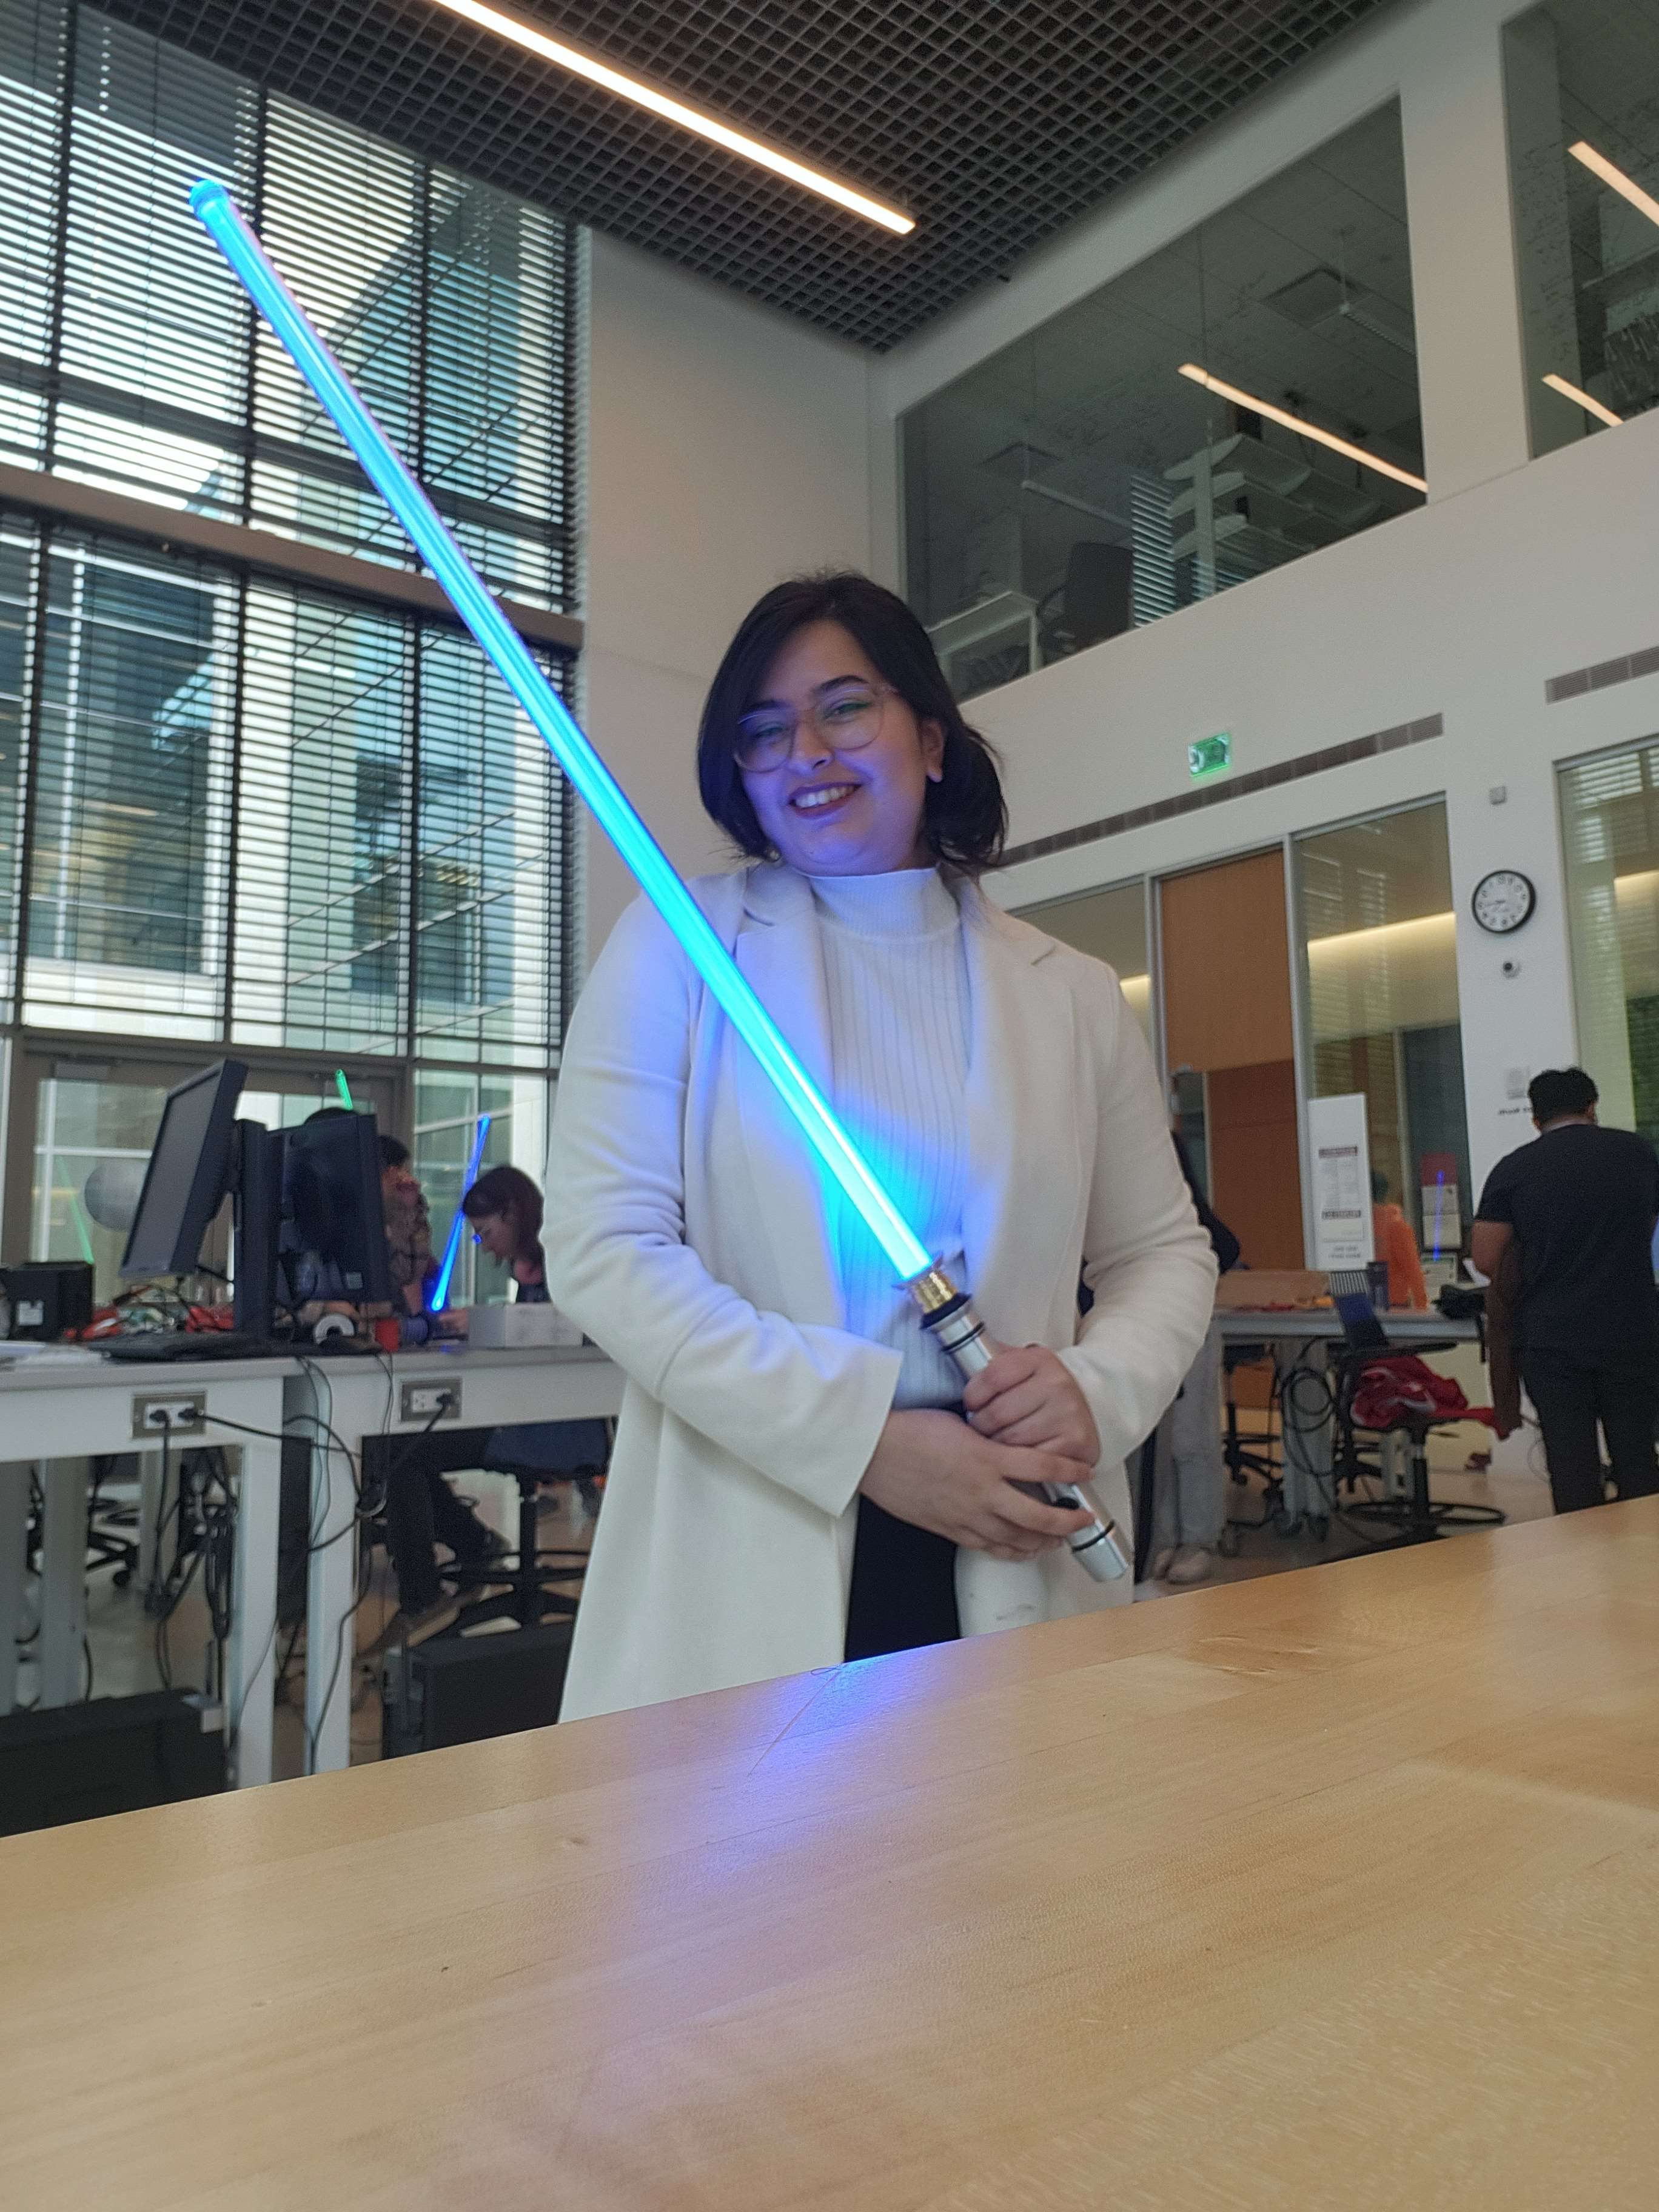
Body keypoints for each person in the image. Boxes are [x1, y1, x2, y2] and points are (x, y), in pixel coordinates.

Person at [544, 571, 1217, 1721]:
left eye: (846, 708)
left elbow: (1162, 1249)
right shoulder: (678, 945)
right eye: (765, 730)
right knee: (764, 1834)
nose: (805, 752)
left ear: (933, 740)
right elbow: (605, 1248)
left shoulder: (1071, 992)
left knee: (1024, 1828)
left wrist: (1096, 1392)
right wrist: (863, 1439)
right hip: (765, 1522)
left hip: (1016, 1513)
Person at [1472, 1067, 1659, 1514]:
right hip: (1633, 1330)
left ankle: (1581, 1552)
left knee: (1572, 1466)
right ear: (1592, 1107)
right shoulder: (1638, 1154)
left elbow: (1485, 1258)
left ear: (1535, 1118)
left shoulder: (1514, 1168)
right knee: (1638, 1457)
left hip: (1552, 1338)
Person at [461, 1164, 611, 1498]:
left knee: (415, 1452)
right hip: (541, 1410)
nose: (484, 1247)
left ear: (512, 1214)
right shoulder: (536, 1270)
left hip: (564, 1424)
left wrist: (482, 1324)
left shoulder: (566, 1262)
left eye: (485, 1233)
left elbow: (571, 1329)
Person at [1149, 1133, 1241, 1587]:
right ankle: (1164, 1537)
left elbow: (1227, 1247)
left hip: (1191, 1327)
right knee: (1156, 1439)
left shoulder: (1186, 1212)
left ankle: (1200, 1538)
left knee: (1191, 1436)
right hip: (1148, 1330)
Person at [1372, 1170, 1428, 1310]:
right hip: (1388, 1305)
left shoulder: (1394, 1226)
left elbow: (1413, 1270)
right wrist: (1422, 1306)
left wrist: (1421, 1306)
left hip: (1392, 1306)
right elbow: (1413, 1270)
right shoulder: (1396, 1226)